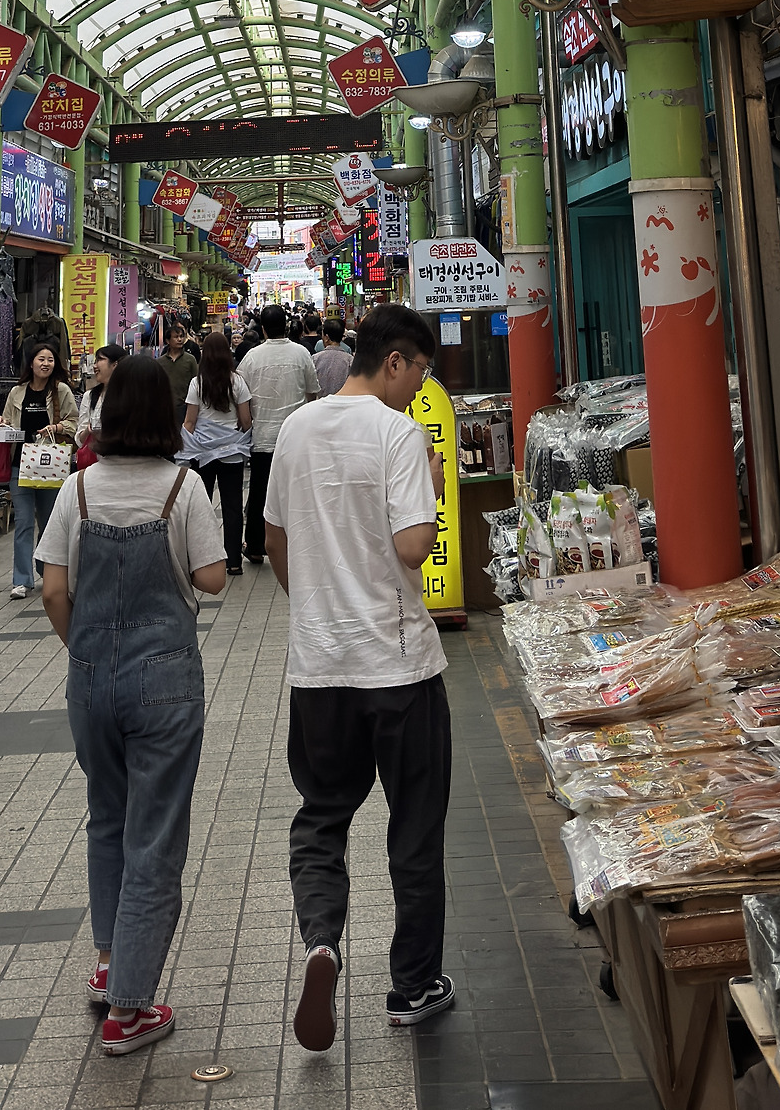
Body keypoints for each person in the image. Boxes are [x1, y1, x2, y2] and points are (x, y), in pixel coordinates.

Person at [263, 302, 450, 1052]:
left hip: (320, 669)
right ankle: (413, 986)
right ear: (394, 361)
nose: (419, 387)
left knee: (321, 816)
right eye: (420, 372)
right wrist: (431, 484)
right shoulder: (399, 433)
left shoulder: (296, 429)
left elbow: (274, 538)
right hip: (399, 666)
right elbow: (413, 548)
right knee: (414, 826)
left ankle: (322, 942)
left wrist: (313, 606)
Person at [36, 356, 227, 1059]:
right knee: (155, 838)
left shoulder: (78, 489)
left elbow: (53, 590)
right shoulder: (184, 487)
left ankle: (110, 961)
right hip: (164, 681)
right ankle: (129, 1008)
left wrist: (83, 652)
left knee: (108, 820)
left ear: (110, 413)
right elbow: (213, 579)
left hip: (91, 681)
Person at [236, 305, 319, 566]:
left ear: (262, 328)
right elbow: (312, 392)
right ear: (286, 326)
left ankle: (255, 546)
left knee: (260, 493)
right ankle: (300, 545)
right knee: (298, 493)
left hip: (263, 437)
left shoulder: (252, 357)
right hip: (295, 438)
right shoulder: (301, 353)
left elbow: (241, 394)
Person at [0, 342, 77, 600]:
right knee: (23, 522)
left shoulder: (61, 390)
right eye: (41, 359)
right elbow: (8, 421)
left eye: (50, 360)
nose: (46, 364)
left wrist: (56, 427)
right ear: (31, 362)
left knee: (48, 523)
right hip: (20, 466)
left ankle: (47, 570)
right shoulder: (17, 392)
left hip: (50, 466)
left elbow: (75, 422)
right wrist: (0, 423)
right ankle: (22, 580)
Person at [182, 332, 253, 575]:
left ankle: (203, 560)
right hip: (232, 453)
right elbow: (246, 420)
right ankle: (233, 561)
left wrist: (183, 451)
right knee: (232, 506)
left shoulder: (197, 383)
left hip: (202, 454)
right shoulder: (237, 382)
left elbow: (190, 422)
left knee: (201, 507)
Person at [74, 343, 126, 458]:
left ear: (115, 365)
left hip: (124, 460)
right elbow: (79, 441)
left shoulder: (129, 395)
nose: (95, 366)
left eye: (100, 360)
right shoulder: (90, 396)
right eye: (95, 361)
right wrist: (89, 431)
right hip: (96, 461)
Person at [312, 317, 352, 397]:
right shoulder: (350, 360)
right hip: (344, 402)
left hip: (321, 402)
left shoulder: (315, 359)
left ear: (327, 338)